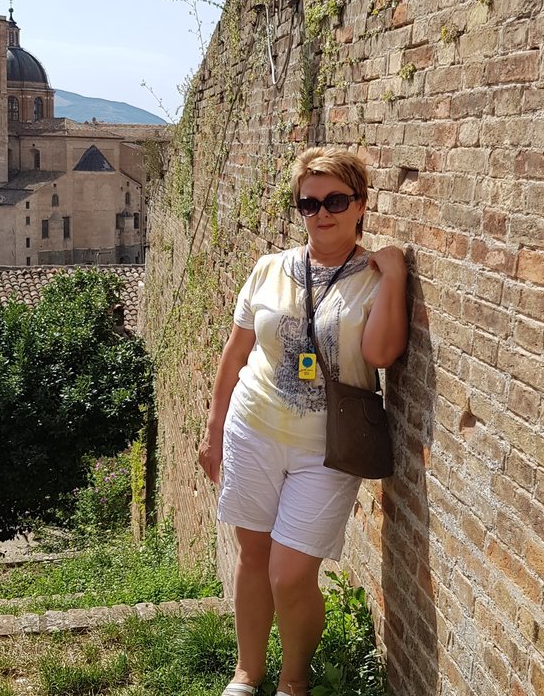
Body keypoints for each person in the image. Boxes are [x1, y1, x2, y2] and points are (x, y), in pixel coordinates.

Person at [198, 147, 408, 696]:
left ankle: (294, 680)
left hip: (327, 448)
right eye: (309, 203)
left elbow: (381, 354)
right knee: (253, 555)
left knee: (290, 574)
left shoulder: (372, 276)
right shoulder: (269, 268)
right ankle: (247, 672)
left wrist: (395, 276)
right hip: (253, 429)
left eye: (336, 200)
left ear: (361, 204)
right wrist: (214, 429)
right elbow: (236, 352)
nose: (322, 213)